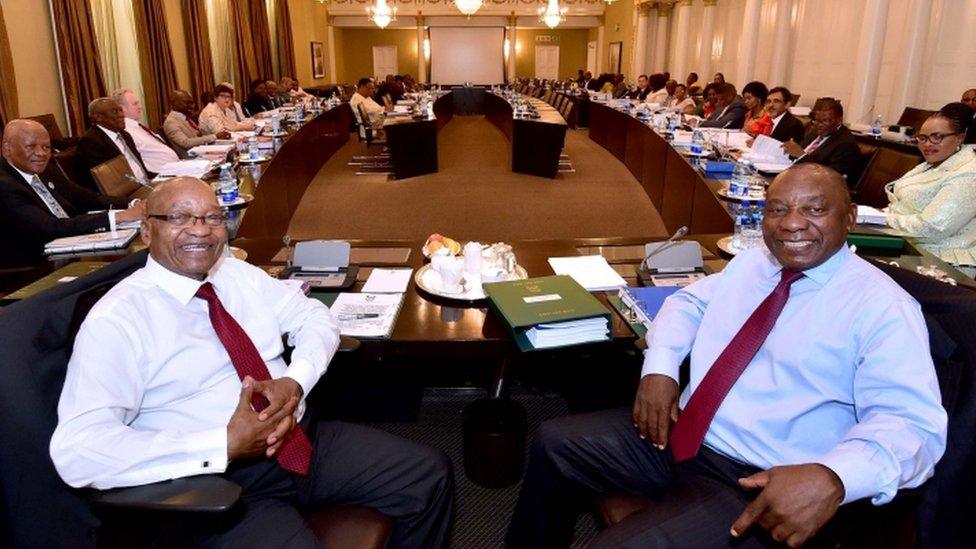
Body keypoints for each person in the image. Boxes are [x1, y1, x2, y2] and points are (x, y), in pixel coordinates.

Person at [506, 163, 947, 548]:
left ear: (849, 217)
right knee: (554, 443)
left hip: (755, 478)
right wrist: (659, 370)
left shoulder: (882, 307)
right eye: (778, 209)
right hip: (684, 433)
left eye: (814, 209)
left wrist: (836, 476)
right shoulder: (758, 261)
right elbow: (687, 302)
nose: (792, 224)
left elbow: (913, 426)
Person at [50, 177, 454, 547]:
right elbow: (79, 451)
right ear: (146, 229)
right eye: (180, 217)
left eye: (213, 217)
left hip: (299, 440)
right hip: (218, 483)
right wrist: (222, 443)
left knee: (429, 476)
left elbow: (314, 316)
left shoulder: (236, 275)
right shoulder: (116, 320)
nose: (201, 229)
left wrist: (295, 381)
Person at [0, 119, 144, 265]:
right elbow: (51, 228)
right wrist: (118, 217)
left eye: (46, 147)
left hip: (72, 245)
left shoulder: (46, 170)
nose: (41, 153)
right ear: (7, 148)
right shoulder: (4, 185)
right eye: (30, 146)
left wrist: (133, 203)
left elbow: (84, 197)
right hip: (35, 265)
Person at [885, 103, 976, 277]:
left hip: (942, 264)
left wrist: (881, 220)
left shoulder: (968, 174)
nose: (928, 144)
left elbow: (932, 228)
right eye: (923, 138)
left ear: (960, 137)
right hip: (908, 247)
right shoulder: (930, 164)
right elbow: (902, 202)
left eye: (937, 137)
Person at [76, 98, 154, 191]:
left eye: (120, 110)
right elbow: (106, 183)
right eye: (115, 112)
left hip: (147, 183)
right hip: (129, 193)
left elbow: (142, 169)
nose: (121, 115)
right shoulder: (90, 141)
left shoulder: (125, 135)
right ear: (98, 117)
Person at [783, 98, 863, 184]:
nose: (819, 125)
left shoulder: (846, 144)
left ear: (839, 120)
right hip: (795, 176)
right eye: (816, 120)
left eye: (825, 121)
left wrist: (801, 156)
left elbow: (829, 177)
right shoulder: (815, 131)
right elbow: (797, 154)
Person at [112, 89, 180, 173]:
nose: (140, 106)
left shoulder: (137, 126)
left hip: (174, 168)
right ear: (122, 108)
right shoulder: (126, 132)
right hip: (160, 174)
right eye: (135, 104)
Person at [163, 90, 231, 159]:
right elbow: (185, 143)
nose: (192, 106)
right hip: (192, 158)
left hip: (202, 151)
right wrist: (214, 136)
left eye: (192, 103)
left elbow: (198, 135)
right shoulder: (171, 122)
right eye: (187, 103)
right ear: (174, 103)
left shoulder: (185, 117)